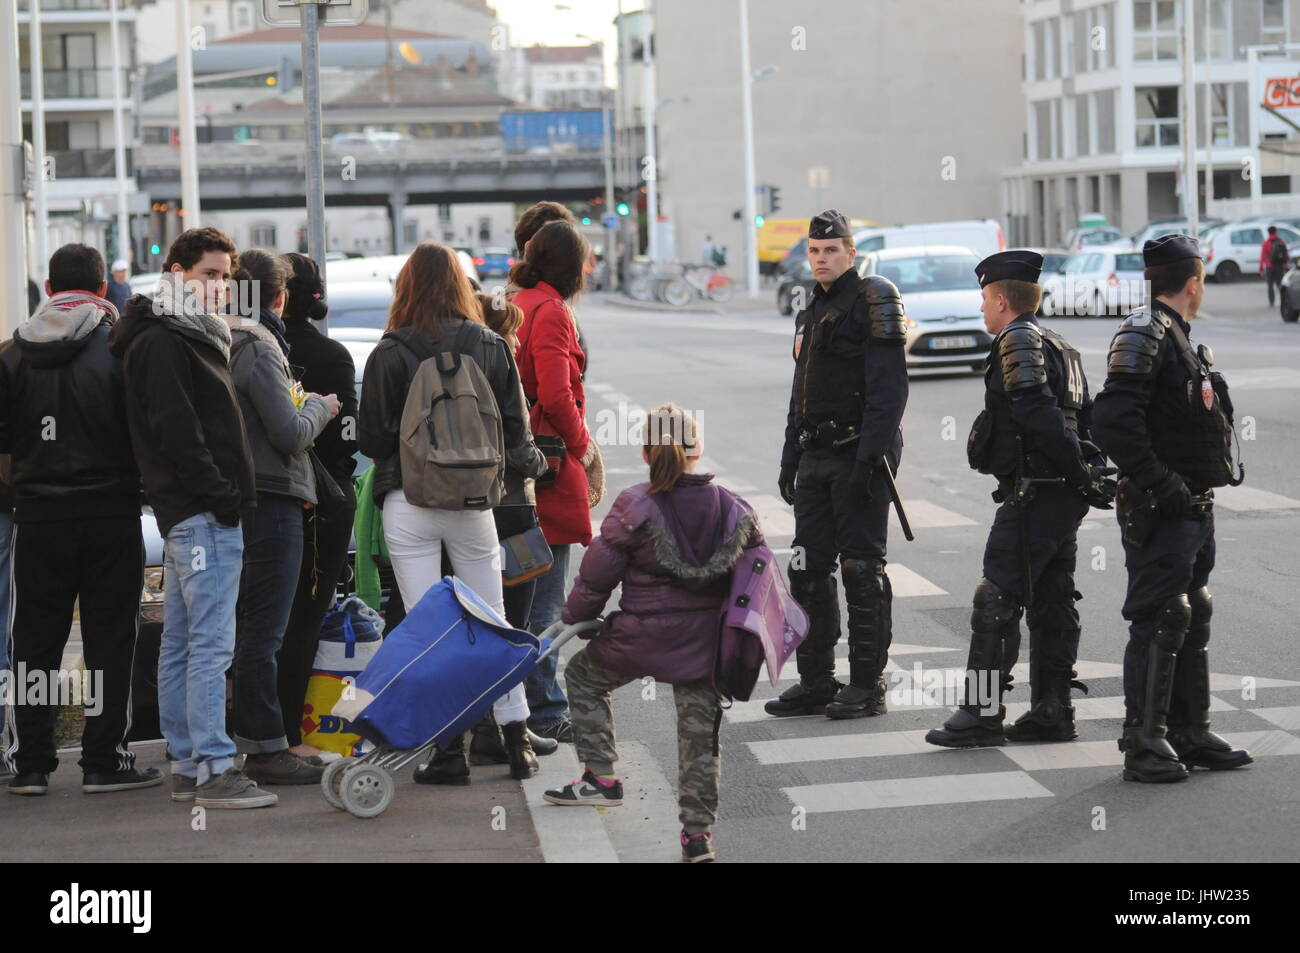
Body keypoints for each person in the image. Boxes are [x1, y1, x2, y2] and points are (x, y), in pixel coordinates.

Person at [358, 241, 546, 781]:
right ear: (462, 286)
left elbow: (372, 436)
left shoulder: (389, 351)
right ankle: (517, 743)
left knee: (430, 628)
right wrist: (531, 468)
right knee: (494, 620)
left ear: (406, 287)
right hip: (475, 503)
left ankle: (447, 753)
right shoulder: (490, 345)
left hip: (409, 502)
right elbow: (516, 428)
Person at [545, 405, 758, 864]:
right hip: (705, 644)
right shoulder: (733, 507)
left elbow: (598, 574)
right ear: (697, 449)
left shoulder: (634, 504)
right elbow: (756, 580)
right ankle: (697, 837)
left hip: (638, 637)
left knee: (583, 677)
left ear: (645, 452)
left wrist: (577, 617)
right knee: (698, 736)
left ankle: (600, 777)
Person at [923, 251, 1117, 748]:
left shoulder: (1017, 341)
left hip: (1037, 491)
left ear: (1002, 300)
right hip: (1058, 494)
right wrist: (1088, 477)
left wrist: (1076, 473)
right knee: (1052, 598)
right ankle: (1052, 710)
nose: (981, 308)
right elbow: (1088, 418)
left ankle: (981, 714)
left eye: (985, 298)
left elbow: (1039, 413)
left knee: (997, 597)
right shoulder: (1060, 344)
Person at [110, 226, 273, 808]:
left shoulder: (181, 332)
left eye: (226, 276)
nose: (221, 286)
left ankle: (187, 763)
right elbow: (177, 431)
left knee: (182, 641)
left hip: (191, 509)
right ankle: (214, 765)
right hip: (200, 510)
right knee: (209, 643)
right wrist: (221, 494)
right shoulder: (164, 338)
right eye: (210, 274)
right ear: (178, 272)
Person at [1092, 234, 1253, 783]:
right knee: (1160, 615)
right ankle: (1143, 741)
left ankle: (1189, 729)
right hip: (1162, 507)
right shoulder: (1146, 332)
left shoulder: (1179, 337)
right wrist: (1160, 483)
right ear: (1194, 283)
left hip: (1192, 506)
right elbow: (1111, 418)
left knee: (1192, 610)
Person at [0, 243, 159, 796]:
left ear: (47, 289)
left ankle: (32, 765)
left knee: (34, 639)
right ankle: (102, 762)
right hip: (112, 512)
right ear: (101, 289)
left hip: (38, 516)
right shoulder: (120, 346)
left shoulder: (11, 354)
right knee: (111, 637)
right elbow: (145, 430)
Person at [765, 209, 909, 719]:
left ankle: (868, 686)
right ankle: (817, 681)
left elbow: (889, 390)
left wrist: (870, 460)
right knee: (806, 569)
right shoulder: (810, 312)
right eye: (814, 251)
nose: (821, 258)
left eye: (830, 250)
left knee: (861, 570)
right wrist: (790, 458)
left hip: (857, 455)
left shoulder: (874, 299)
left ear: (850, 252)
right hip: (815, 458)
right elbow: (799, 392)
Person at [223, 249, 337, 784]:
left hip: (231, 496)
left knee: (234, 630)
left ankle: (235, 743)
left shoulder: (216, 335)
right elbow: (289, 434)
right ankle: (267, 750)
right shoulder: (259, 345)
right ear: (280, 296)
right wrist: (320, 406)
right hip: (270, 499)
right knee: (264, 634)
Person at [467, 291, 560, 766]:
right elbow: (520, 442)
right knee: (516, 624)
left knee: (481, 624)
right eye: (514, 331)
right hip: (513, 509)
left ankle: (485, 729)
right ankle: (514, 732)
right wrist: (544, 463)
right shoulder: (498, 362)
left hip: (471, 509)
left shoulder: (458, 365)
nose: (519, 339)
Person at [512, 220, 595, 743]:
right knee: (545, 600)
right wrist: (583, 445)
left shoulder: (518, 301)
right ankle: (543, 709)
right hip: (550, 464)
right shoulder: (551, 311)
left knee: (523, 593)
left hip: (521, 467)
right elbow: (557, 391)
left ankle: (522, 707)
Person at [277, 252, 359, 762]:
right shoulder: (334, 356)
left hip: (275, 500)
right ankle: (293, 730)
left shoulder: (249, 347)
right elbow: (349, 436)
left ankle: (261, 729)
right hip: (327, 501)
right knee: (308, 618)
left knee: (262, 621)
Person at [1260, 225, 1289, 308]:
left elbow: (1263, 256)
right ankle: (1284, 301)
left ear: (1268, 232)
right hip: (1280, 266)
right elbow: (1285, 254)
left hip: (1269, 266)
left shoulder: (1266, 243)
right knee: (1280, 285)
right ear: (1276, 232)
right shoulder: (1281, 241)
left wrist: (1261, 268)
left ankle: (1271, 302)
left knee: (1270, 285)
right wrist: (1285, 263)